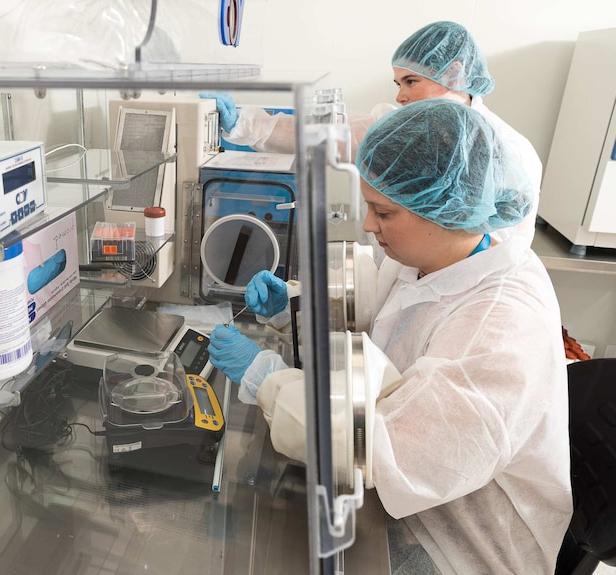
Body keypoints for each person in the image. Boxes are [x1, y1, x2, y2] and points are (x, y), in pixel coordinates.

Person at [208, 99, 572, 574]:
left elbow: (371, 450)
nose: (366, 225)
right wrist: (296, 303)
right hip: (419, 498)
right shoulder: (446, 252)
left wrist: (267, 378)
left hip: (456, 545)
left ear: (444, 211)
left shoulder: (498, 333)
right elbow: (380, 307)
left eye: (383, 212)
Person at [202, 20, 542, 247]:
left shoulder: (508, 151)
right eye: (398, 84)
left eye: (411, 82)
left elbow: (504, 252)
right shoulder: (404, 133)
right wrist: (245, 123)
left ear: (454, 75)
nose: (400, 95)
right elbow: (330, 135)